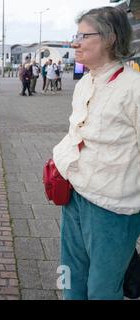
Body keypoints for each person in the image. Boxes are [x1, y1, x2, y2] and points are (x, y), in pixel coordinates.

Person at [52, 6, 140, 300]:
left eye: (83, 35)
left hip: (112, 207)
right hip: (74, 195)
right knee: (70, 278)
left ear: (110, 38)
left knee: (102, 288)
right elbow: (76, 133)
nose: (74, 42)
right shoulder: (85, 82)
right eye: (74, 35)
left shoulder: (134, 87)